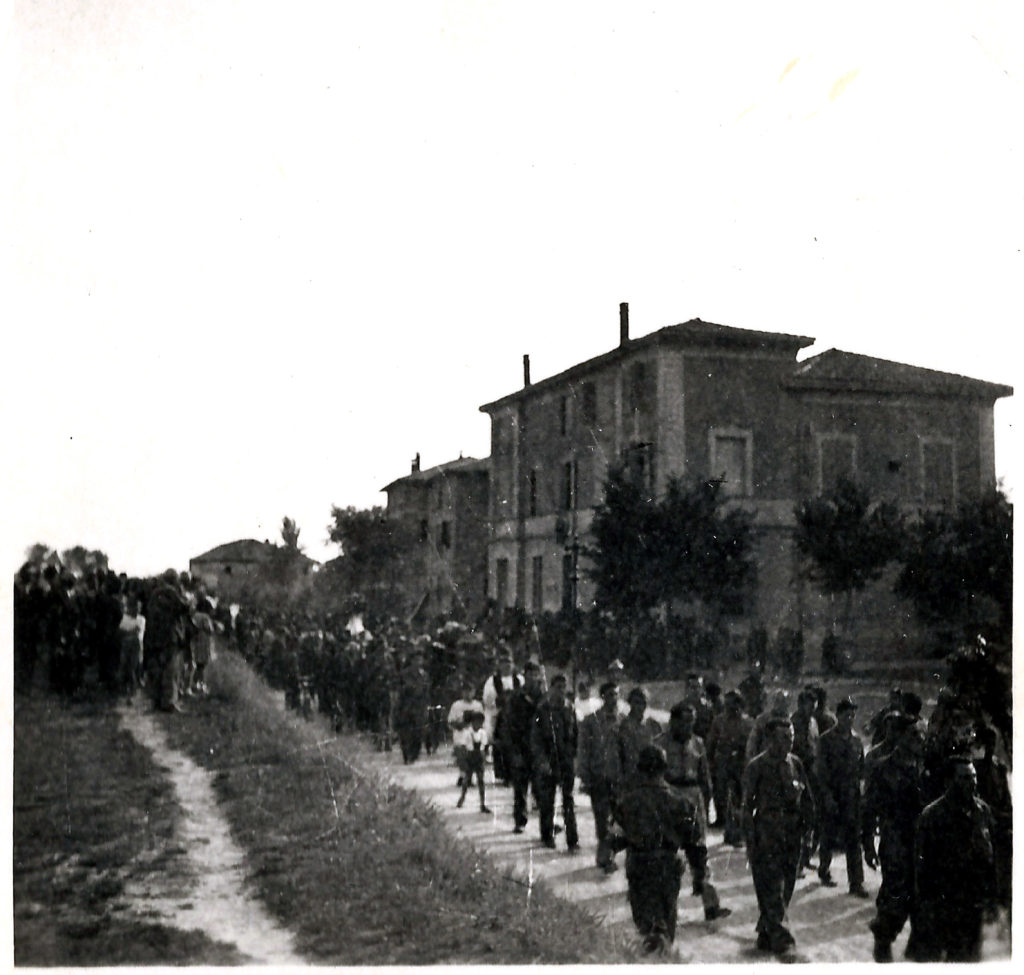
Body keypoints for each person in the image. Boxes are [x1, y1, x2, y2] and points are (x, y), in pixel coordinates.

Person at [608, 745, 702, 954]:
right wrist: (699, 874)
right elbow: (694, 843)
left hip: (639, 866)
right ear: (664, 768)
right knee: (666, 922)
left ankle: (653, 953)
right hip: (669, 867)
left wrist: (609, 856)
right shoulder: (681, 801)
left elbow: (615, 838)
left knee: (646, 924)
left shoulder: (628, 801)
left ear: (640, 769)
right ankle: (664, 952)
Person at [743, 717, 815, 959]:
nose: (789, 742)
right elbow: (746, 806)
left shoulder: (796, 763)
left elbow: (806, 799)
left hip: (792, 832)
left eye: (792, 737)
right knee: (771, 884)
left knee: (788, 885)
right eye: (784, 737)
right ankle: (783, 940)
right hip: (767, 831)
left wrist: (809, 829)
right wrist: (750, 837)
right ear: (770, 739)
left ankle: (767, 930)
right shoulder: (757, 766)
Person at [913, 757, 997, 961]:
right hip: (944, 905)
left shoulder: (982, 811)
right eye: (965, 778)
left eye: (974, 777)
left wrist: (992, 899)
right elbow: (922, 867)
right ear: (949, 782)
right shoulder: (932, 816)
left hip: (973, 902)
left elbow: (991, 858)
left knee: (971, 958)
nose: (973, 782)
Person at [862, 711, 925, 962]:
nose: (918, 739)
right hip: (895, 840)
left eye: (919, 734)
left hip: (920, 841)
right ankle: (883, 942)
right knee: (896, 894)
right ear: (899, 737)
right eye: (912, 735)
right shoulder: (883, 768)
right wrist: (867, 843)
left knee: (922, 896)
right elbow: (868, 809)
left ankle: (917, 951)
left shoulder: (923, 766)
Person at [664, 703, 730, 921]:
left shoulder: (698, 743)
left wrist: (707, 803)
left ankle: (711, 905)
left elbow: (704, 776)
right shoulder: (660, 744)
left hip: (693, 797)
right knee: (668, 855)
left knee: (700, 853)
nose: (688, 725)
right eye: (684, 721)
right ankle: (666, 908)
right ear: (673, 721)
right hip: (671, 797)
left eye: (691, 721)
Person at [816, 696, 868, 897]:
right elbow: (821, 771)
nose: (850, 719)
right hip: (832, 793)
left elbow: (861, 770)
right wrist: (827, 796)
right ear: (838, 716)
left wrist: (861, 795)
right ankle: (824, 868)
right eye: (846, 715)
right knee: (828, 834)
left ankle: (856, 882)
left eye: (852, 715)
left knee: (854, 839)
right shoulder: (826, 740)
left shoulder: (856, 741)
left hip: (851, 797)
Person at [530, 672, 579, 851]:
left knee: (568, 800)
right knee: (547, 801)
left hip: (565, 760)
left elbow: (576, 735)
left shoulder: (570, 708)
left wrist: (575, 758)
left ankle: (572, 840)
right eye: (557, 687)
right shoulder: (542, 709)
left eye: (563, 687)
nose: (561, 691)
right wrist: (542, 761)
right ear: (551, 688)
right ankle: (547, 835)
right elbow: (535, 738)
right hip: (549, 759)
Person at [578, 680, 623, 873]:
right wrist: (584, 775)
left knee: (619, 819)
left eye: (616, 694)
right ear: (603, 697)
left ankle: (606, 853)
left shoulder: (623, 721)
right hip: (599, 777)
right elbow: (583, 750)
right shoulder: (591, 721)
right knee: (602, 819)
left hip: (619, 778)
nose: (613, 698)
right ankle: (605, 857)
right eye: (609, 694)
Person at [501, 660, 544, 834]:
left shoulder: (543, 697)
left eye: (536, 674)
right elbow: (509, 725)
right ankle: (520, 820)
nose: (533, 677)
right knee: (520, 787)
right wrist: (513, 750)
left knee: (542, 788)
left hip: (539, 748)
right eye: (530, 674)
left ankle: (547, 824)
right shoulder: (516, 697)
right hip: (521, 746)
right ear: (524, 675)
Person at [705, 689, 753, 845]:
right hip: (723, 764)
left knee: (741, 799)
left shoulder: (747, 723)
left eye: (733, 705)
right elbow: (711, 743)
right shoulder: (719, 721)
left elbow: (751, 746)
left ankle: (739, 832)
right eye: (728, 705)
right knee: (725, 797)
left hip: (741, 765)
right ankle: (729, 830)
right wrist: (710, 764)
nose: (730, 708)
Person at [145, 568, 191, 712]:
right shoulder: (172, 593)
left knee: (157, 669)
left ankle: (156, 701)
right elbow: (183, 608)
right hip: (169, 635)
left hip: (154, 635)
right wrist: (187, 600)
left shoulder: (155, 593)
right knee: (170, 670)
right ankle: (169, 702)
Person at [480, 651, 522, 783]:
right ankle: (504, 774)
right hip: (499, 715)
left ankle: (517, 773)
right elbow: (487, 699)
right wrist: (499, 700)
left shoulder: (519, 679)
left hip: (517, 716)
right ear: (499, 666)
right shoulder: (492, 681)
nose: (507, 666)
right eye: (504, 663)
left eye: (509, 663)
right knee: (501, 744)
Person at [617, 686, 663, 786]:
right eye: (637, 702)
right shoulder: (623, 725)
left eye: (643, 703)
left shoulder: (653, 725)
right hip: (631, 775)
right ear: (630, 703)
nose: (640, 707)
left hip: (651, 775)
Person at [395, 647, 430, 764]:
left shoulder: (424, 675)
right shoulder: (404, 674)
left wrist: (426, 708)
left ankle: (414, 754)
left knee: (418, 733)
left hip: (419, 707)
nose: (418, 662)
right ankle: (406, 755)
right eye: (416, 660)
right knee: (405, 733)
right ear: (412, 661)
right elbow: (400, 691)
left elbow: (426, 692)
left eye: (420, 660)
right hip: (406, 706)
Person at [454, 710, 492, 813]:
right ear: (472, 722)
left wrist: (486, 757)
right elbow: (463, 747)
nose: (479, 725)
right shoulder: (468, 733)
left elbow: (485, 746)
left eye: (481, 723)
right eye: (477, 722)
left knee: (481, 781)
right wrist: (462, 760)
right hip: (470, 758)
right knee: (466, 780)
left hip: (479, 758)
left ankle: (482, 803)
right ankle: (462, 797)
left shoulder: (482, 733)